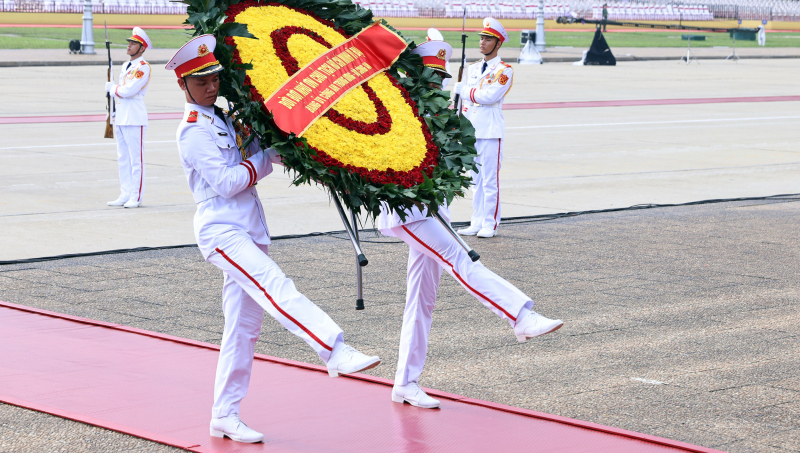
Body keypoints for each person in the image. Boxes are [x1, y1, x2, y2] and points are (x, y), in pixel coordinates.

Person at [169, 35, 381, 444]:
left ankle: (224, 415)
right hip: (221, 230)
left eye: (214, 78)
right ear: (183, 85)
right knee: (275, 284)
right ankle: (333, 349)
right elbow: (227, 182)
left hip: (248, 227)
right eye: (200, 82)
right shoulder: (193, 131)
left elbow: (262, 150)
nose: (210, 87)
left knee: (242, 330)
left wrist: (303, 150)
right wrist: (265, 157)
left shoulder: (223, 117)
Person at [377, 39, 563, 410]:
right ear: (414, 76)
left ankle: (405, 383)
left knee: (422, 301)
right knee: (461, 260)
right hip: (407, 212)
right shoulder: (399, 110)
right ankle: (519, 316)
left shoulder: (433, 110)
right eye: (431, 77)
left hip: (433, 212)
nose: (437, 84)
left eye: (440, 78)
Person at [453, 17, 513, 238]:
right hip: (472, 130)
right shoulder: (473, 68)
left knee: (489, 181)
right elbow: (466, 103)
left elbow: (489, 96)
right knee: (476, 180)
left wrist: (465, 91)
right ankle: (477, 221)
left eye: (488, 39)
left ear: (498, 44)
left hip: (490, 131)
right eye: (481, 38)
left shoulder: (504, 71)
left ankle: (490, 223)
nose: (482, 42)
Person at [106, 27, 151, 208]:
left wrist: (113, 88)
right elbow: (121, 93)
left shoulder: (143, 67)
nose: (129, 45)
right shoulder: (126, 66)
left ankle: (136, 196)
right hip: (121, 115)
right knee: (123, 158)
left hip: (135, 116)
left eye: (134, 43)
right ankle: (125, 193)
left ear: (142, 48)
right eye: (129, 42)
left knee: (136, 160)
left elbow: (129, 90)